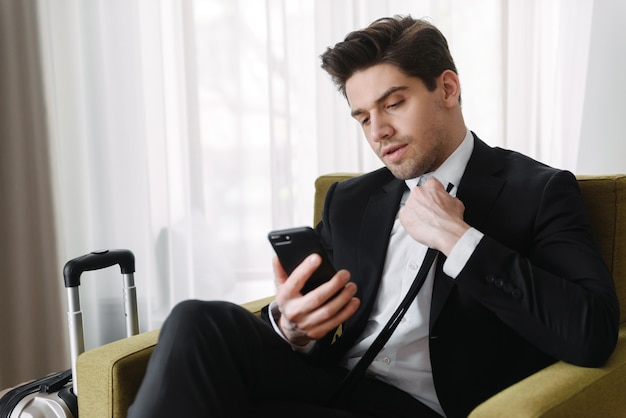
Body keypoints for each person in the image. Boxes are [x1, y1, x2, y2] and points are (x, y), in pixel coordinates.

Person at [128, 15, 619, 418]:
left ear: (447, 88)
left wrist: (461, 239)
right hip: (330, 384)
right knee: (198, 319)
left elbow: (592, 332)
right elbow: (317, 311)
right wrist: (288, 328)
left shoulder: (538, 190)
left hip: (426, 407)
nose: (378, 131)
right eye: (363, 117)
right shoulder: (350, 200)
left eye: (394, 104)